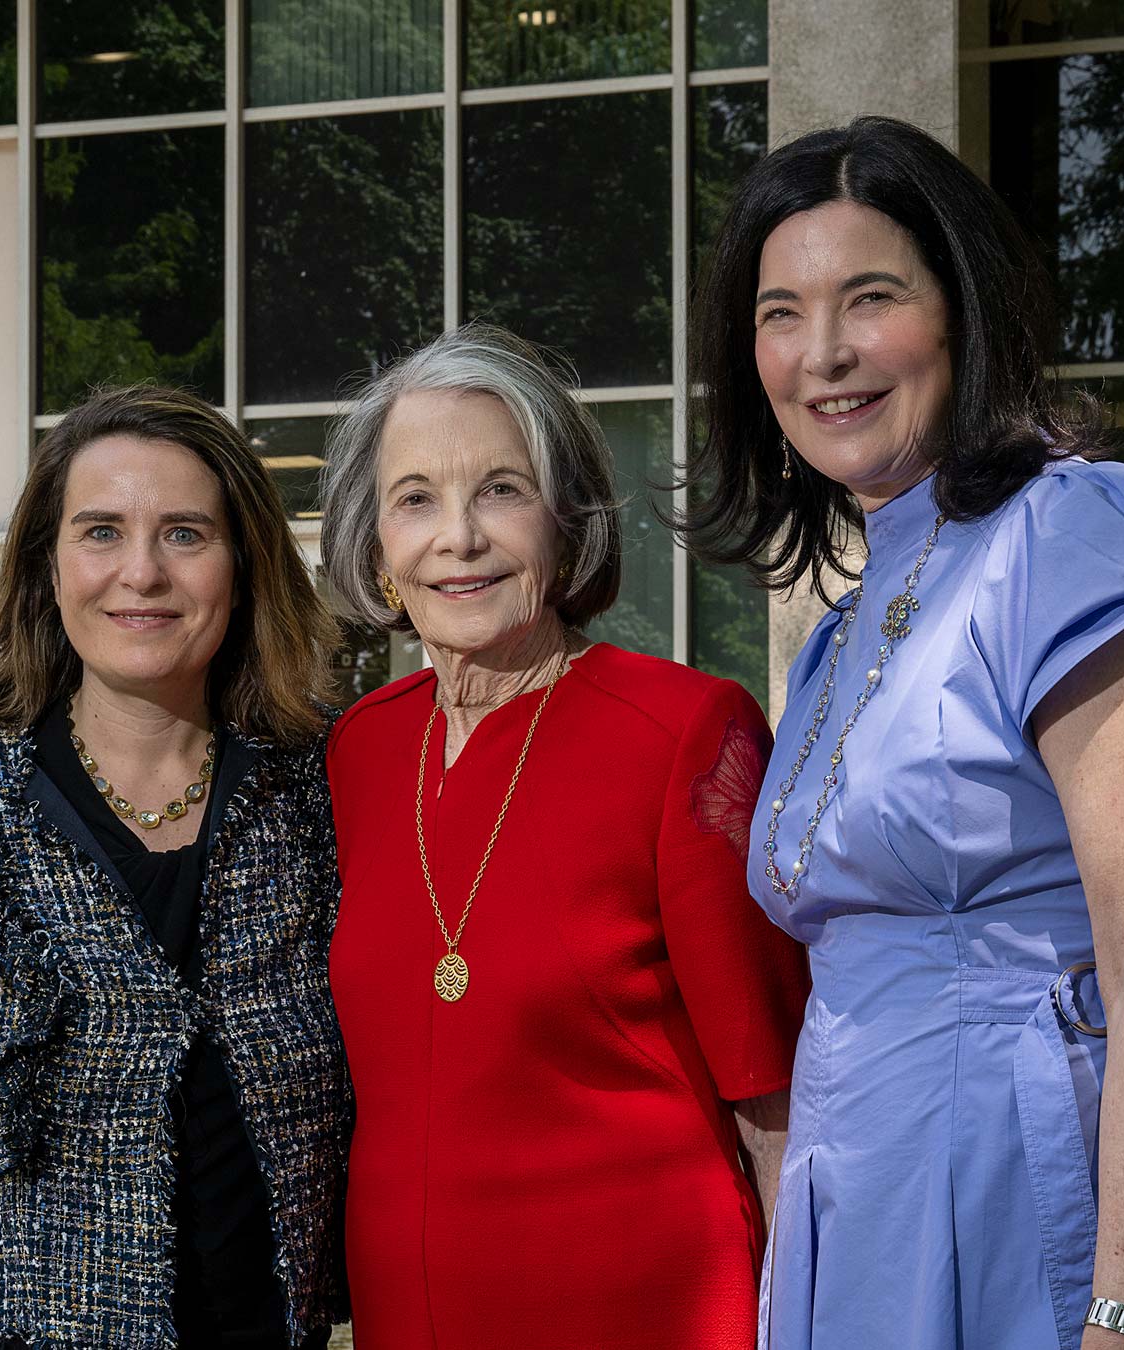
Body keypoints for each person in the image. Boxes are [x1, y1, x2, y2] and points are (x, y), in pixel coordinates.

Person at [680, 116, 1124, 1350]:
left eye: (872, 297)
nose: (826, 354)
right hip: (860, 1207)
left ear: (961, 311)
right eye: (781, 313)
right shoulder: (834, 639)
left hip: (1046, 1202)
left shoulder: (1079, 532)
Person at [0, 385, 351, 1350]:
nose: (142, 573)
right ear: (47, 568)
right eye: (100, 532)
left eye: (184, 533)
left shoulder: (324, 794)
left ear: (244, 566)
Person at [317, 323, 812, 1350]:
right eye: (417, 499)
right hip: (413, 1317)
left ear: (567, 516)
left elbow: (777, 1101)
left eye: (500, 488)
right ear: (375, 545)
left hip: (643, 1308)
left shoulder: (684, 732)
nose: (458, 537)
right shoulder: (359, 751)